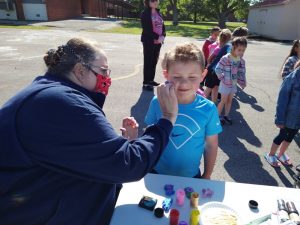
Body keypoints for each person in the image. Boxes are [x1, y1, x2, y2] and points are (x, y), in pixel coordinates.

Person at [0, 38, 178, 225]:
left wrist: (118, 145)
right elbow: (128, 163)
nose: (107, 78)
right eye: (103, 71)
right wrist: (167, 119)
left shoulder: (50, 93)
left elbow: (78, 152)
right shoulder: (60, 102)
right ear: (80, 71)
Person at [145, 43, 222, 179]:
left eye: (192, 77)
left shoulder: (209, 109)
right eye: (177, 77)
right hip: (156, 173)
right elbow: (149, 135)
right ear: (166, 75)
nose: (184, 83)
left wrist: (207, 174)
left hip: (191, 177)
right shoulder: (158, 102)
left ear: (203, 75)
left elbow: (211, 145)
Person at [264, 60, 300, 167]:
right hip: (287, 117)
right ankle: (271, 154)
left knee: (291, 136)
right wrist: (279, 119)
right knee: (282, 135)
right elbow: (282, 101)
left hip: (298, 118)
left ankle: (281, 153)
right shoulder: (291, 79)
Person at [215, 37, 247, 125]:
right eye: (239, 50)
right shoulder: (226, 58)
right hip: (225, 84)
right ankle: (217, 117)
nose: (241, 52)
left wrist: (242, 82)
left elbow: (241, 72)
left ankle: (226, 115)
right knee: (223, 101)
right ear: (233, 47)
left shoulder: (240, 60)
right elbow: (218, 69)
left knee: (230, 101)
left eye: (243, 50)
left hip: (233, 84)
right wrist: (223, 79)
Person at [141, 0, 166, 91]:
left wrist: (163, 35)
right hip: (149, 41)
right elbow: (146, 29)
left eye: (156, 0)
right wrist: (157, 37)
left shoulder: (158, 12)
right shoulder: (145, 14)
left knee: (154, 62)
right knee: (148, 61)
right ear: (148, 2)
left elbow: (162, 26)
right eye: (152, 1)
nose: (155, 2)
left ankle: (151, 80)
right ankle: (146, 83)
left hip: (158, 42)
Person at [204, 29, 232, 103]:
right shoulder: (225, 48)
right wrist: (210, 66)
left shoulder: (221, 47)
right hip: (214, 71)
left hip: (217, 72)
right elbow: (210, 58)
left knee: (215, 87)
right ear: (229, 38)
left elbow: (209, 59)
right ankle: (201, 104)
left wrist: (209, 65)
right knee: (210, 88)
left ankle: (213, 103)